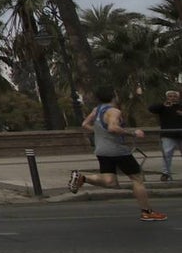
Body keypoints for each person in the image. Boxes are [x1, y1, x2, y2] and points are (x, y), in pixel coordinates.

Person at [69, 86, 167, 221]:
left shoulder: (97, 110)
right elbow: (113, 127)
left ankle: (82, 178)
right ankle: (147, 212)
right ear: (113, 95)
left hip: (102, 150)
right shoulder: (114, 111)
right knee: (137, 179)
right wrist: (133, 133)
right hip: (117, 150)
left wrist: (100, 133)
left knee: (109, 181)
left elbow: (85, 124)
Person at [147, 89, 182, 181]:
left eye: (174, 96)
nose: (172, 98)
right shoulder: (163, 107)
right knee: (167, 154)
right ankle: (165, 173)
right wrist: (163, 104)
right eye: (170, 96)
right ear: (167, 97)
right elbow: (151, 109)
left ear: (178, 97)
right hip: (168, 135)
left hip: (181, 134)